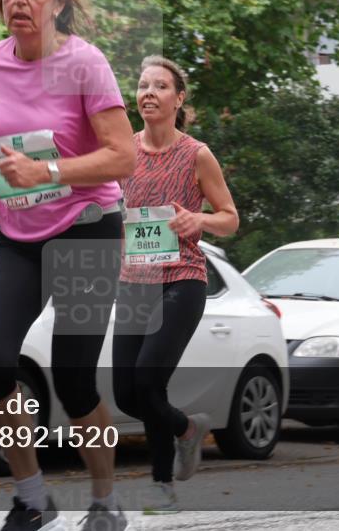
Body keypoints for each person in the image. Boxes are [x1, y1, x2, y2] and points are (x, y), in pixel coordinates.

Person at [0, 0, 136, 531]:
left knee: (73, 378)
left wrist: (50, 173)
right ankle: (32, 498)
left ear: (58, 3)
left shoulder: (85, 64)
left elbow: (124, 157)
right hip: (20, 233)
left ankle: (105, 499)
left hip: (88, 230)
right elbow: (2, 138)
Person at [112, 55, 239, 514]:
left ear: (178, 98)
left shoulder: (196, 154)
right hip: (134, 281)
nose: (148, 92)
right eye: (143, 85)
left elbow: (230, 218)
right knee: (128, 393)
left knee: (148, 379)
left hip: (182, 280)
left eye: (160, 86)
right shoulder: (122, 152)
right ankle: (187, 429)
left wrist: (197, 218)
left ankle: (161, 485)